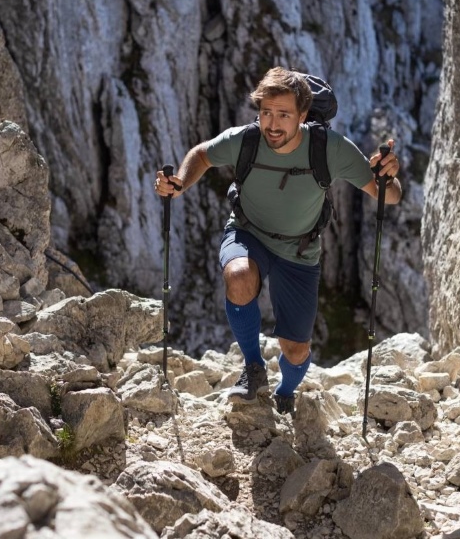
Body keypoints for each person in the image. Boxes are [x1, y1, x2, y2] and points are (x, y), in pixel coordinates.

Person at [154, 67, 401, 416]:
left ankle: (286, 390)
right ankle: (254, 369)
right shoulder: (247, 139)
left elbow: (388, 196)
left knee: (296, 349)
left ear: (302, 116)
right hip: (247, 231)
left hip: (300, 251)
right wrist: (179, 181)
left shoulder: (328, 149)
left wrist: (388, 176)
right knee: (238, 276)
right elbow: (203, 155)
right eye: (266, 112)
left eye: (284, 115)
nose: (272, 124)